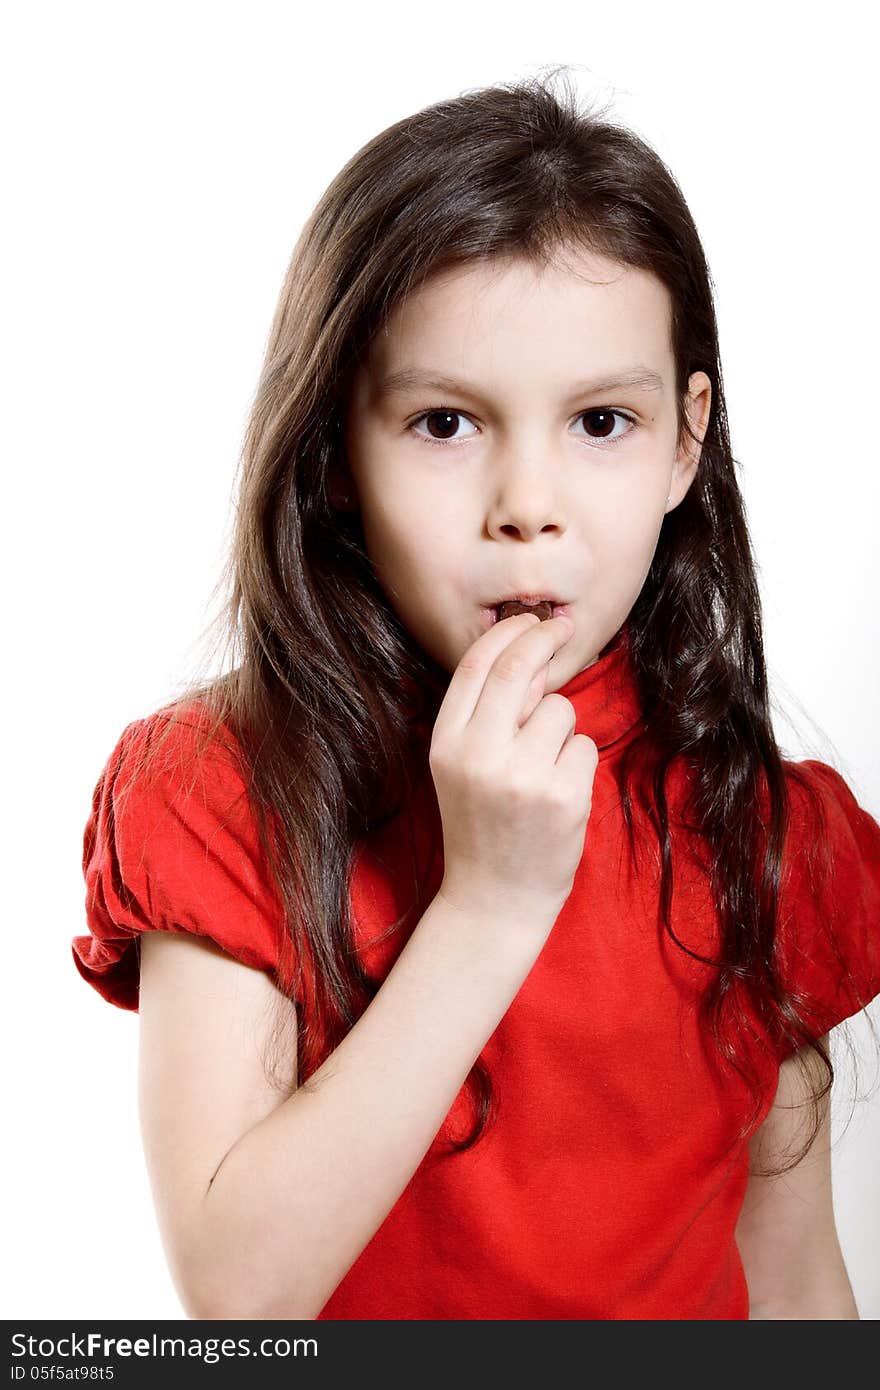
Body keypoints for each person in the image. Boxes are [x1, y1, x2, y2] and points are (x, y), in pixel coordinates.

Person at [72, 69, 880, 1321]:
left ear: (685, 439)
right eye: (445, 424)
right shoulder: (222, 788)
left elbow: (794, 1286)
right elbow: (239, 1299)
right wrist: (492, 899)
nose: (528, 503)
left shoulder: (754, 824)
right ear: (336, 451)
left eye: (601, 421)